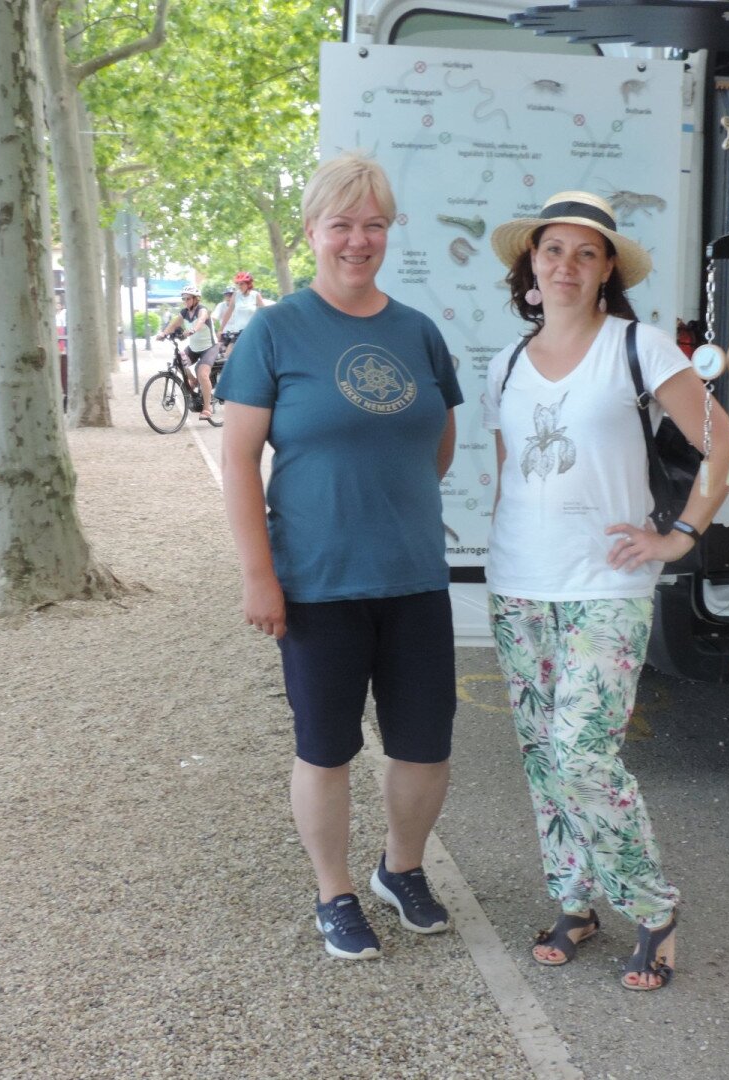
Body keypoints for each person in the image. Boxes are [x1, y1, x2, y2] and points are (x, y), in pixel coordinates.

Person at [483, 191, 729, 988]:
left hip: (606, 584)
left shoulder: (639, 346)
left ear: (606, 272)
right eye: (552, 249)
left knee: (582, 754)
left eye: (585, 253)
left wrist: (680, 535)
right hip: (519, 584)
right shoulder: (505, 364)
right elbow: (509, 473)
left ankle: (653, 910)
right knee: (542, 758)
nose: (566, 264)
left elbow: (722, 443)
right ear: (531, 265)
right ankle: (574, 900)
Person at [218, 151, 463, 961]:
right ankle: (335, 891)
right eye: (342, 224)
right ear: (312, 231)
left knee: (424, 744)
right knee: (326, 747)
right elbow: (238, 462)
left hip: (414, 578)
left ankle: (402, 869)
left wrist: (384, 500)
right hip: (317, 584)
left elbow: (438, 443)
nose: (359, 240)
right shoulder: (275, 330)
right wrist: (260, 575)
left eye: (374, 225)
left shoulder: (417, 332)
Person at [155, 285, 220, 423]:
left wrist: (192, 330)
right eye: (183, 299)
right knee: (178, 360)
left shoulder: (202, 310)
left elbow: (201, 320)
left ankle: (207, 408)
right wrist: (163, 333)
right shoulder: (184, 312)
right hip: (194, 347)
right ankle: (193, 381)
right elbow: (173, 325)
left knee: (202, 373)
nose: (185, 301)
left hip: (209, 347)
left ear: (196, 299)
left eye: (188, 298)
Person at [218, 271, 270, 363]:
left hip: (253, 332)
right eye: (238, 284)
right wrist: (221, 329)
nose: (239, 286)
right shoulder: (236, 295)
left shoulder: (255, 295)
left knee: (253, 357)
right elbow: (229, 312)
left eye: (242, 284)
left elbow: (265, 313)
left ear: (248, 284)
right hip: (238, 332)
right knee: (227, 357)